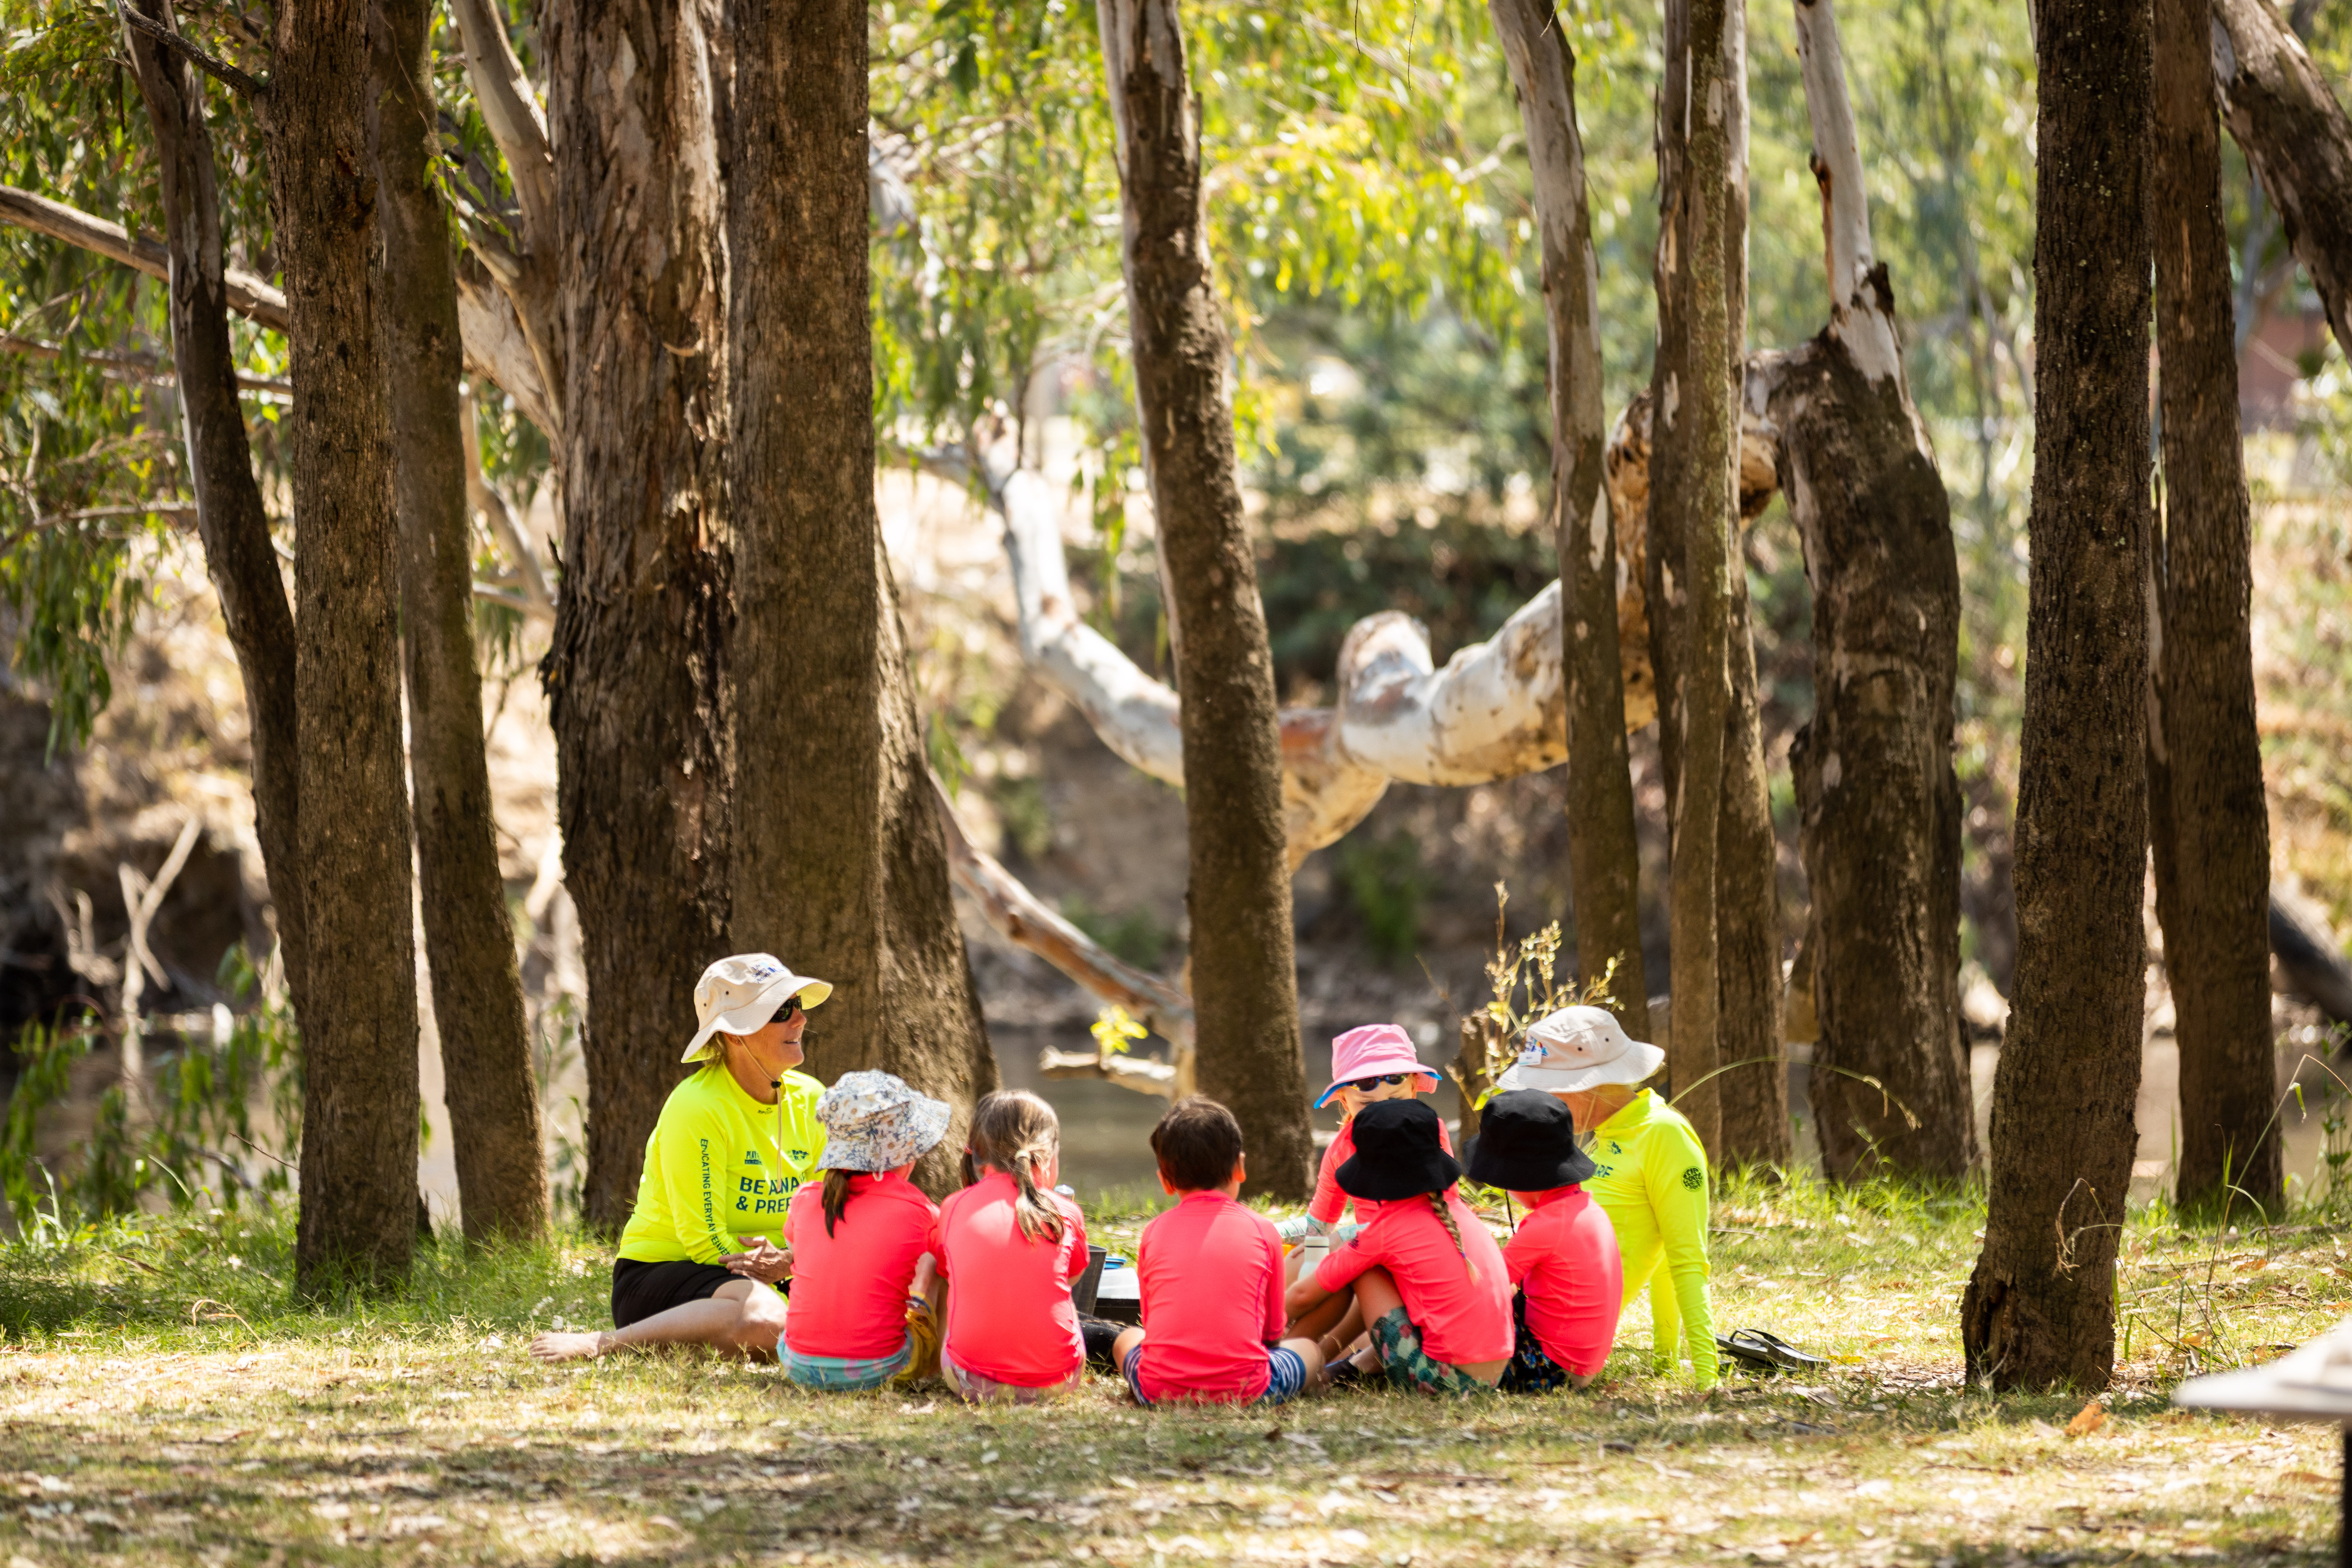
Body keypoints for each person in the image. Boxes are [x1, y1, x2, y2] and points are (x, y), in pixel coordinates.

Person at [529, 954, 830, 1363]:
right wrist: (781, 1278)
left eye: (798, 1004)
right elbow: (705, 1241)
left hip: (774, 1276)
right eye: (781, 1010)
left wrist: (793, 1264)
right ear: (735, 1034)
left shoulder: (814, 1098)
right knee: (770, 1321)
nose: (800, 1019)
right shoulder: (697, 1106)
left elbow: (825, 1213)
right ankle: (603, 1343)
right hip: (667, 1273)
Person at [1498, 1005, 1716, 1386]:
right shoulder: (1609, 1132)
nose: (1538, 1105)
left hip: (1552, 1340)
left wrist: (1705, 1376)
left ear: (1587, 1084)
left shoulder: (1664, 1134)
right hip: (1534, 1306)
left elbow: (1683, 1259)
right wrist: (1663, 1361)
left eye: (1544, 1090)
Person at [1283, 1099, 1512, 1395]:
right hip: (1494, 1374)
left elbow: (1302, 1296)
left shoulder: (1385, 1231)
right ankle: (1316, 1362)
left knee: (1362, 1271)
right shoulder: (1456, 1209)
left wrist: (1261, 1322)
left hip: (1447, 1381)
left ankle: (1284, 1361)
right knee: (1367, 1267)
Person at [1113, 1097, 1325, 1405]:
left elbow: (1150, 1321)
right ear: (1240, 1166)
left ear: (1165, 1181)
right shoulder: (1263, 1229)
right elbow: (1272, 1331)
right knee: (1310, 1350)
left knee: (1126, 1339)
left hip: (1158, 1390)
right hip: (1249, 1391)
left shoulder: (1153, 1232)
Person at [781, 1071, 951, 1391]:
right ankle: (943, 1363)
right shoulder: (920, 1210)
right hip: (881, 1367)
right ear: (903, 1152)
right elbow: (954, 1265)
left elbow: (797, 1249)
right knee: (936, 1259)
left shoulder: (804, 1199)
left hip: (798, 1363)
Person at [933, 1089, 1090, 1403]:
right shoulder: (1067, 1211)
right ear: (1047, 1156)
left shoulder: (952, 1207)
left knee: (949, 1279)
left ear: (977, 1154)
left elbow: (947, 1274)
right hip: (1058, 1380)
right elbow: (1071, 1279)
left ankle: (939, 1362)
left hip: (970, 1382)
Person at [1465, 1089, 1622, 1392]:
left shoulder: (1545, 1225)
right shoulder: (1587, 1208)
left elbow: (1485, 1290)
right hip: (1581, 1365)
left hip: (1549, 1369)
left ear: (1520, 1177)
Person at [1305, 1024, 1448, 1233]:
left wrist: (1347, 1236)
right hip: (1368, 1254)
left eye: (1396, 1100)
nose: (1384, 1115)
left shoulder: (1431, 1132)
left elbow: (1435, 1215)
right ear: (1346, 1102)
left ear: (1414, 1089)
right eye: (1368, 1105)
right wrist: (1267, 1233)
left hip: (1424, 1244)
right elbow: (1318, 1225)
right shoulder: (1340, 1149)